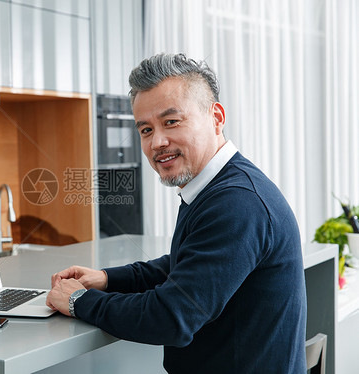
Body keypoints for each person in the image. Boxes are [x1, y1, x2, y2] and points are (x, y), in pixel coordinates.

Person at [46, 53, 307, 373]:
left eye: (171, 122)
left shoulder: (237, 204)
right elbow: (188, 263)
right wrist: (107, 278)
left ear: (216, 117)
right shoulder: (217, 187)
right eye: (145, 129)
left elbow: (171, 317)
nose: (157, 142)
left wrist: (79, 301)